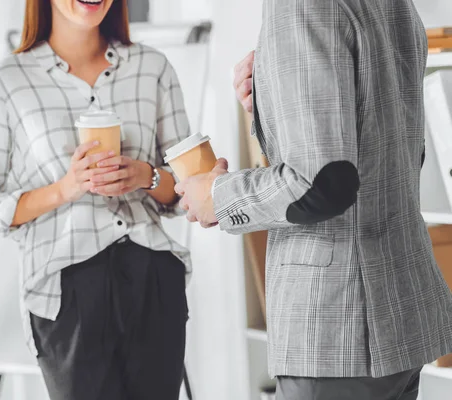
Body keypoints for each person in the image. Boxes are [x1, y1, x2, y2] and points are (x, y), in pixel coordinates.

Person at [176, 0, 452, 399]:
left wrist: (217, 196)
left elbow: (323, 183)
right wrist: (273, 96)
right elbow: (386, 151)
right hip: (397, 313)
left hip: (336, 327)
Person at [0, 0, 191, 398]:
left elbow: (191, 188)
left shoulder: (153, 68)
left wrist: (145, 175)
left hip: (152, 275)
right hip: (66, 289)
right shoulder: (6, 81)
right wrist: (64, 189)